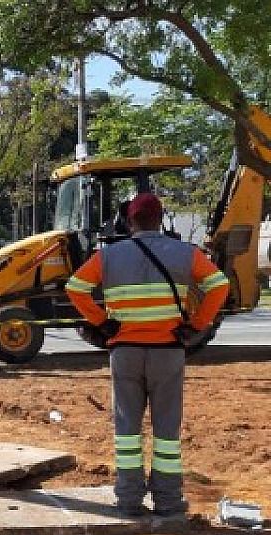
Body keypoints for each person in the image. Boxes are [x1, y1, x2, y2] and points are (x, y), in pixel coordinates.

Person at [65, 192, 229, 518]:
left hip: (124, 352)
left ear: (129, 220)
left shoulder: (109, 255)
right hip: (168, 352)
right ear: (161, 218)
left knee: (127, 429)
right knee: (166, 431)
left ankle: (129, 500)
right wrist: (195, 324)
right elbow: (219, 285)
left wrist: (102, 322)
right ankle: (168, 501)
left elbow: (75, 287)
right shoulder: (185, 253)